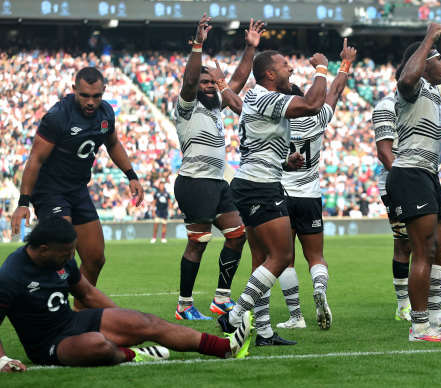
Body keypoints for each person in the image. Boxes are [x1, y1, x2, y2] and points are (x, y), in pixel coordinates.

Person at [0, 216, 251, 373]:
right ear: (43, 250)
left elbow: (86, 293)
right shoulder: (11, 274)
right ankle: (133, 355)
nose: (70, 258)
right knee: (98, 345)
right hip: (49, 345)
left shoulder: (61, 258)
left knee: (145, 321)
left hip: (72, 321)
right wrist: (2, 360)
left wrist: (124, 317)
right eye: (65, 254)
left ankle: (226, 347)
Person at [217, 49, 329, 346]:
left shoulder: (255, 98)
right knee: (282, 257)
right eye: (284, 65)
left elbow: (256, 146)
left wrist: (283, 162)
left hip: (252, 182)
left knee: (262, 259)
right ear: (270, 74)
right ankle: (235, 314)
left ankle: (264, 331)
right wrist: (321, 69)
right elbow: (312, 103)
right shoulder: (266, 97)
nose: (290, 68)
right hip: (260, 187)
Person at [10, 66, 144, 310]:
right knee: (63, 253)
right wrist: (23, 202)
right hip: (50, 191)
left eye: (96, 96)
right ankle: (47, 306)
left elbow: (112, 143)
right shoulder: (58, 116)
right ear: (74, 91)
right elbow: (35, 160)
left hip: (78, 190)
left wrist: (131, 175)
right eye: (84, 95)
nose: (91, 101)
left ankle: (78, 314)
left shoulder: (106, 113)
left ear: (104, 92)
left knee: (94, 259)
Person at [172, 15, 264, 320]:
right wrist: (198, 44)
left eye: (213, 82)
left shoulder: (214, 107)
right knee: (198, 244)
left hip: (216, 182)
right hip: (195, 182)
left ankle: (221, 299)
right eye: (206, 82)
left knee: (238, 236)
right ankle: (184, 305)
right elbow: (188, 80)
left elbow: (236, 80)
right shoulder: (187, 107)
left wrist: (250, 48)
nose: (211, 86)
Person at [387, 22, 441, 342]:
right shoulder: (410, 87)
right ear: (424, 63)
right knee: (422, 250)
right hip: (410, 174)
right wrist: (428, 38)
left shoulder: (433, 90)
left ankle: (435, 318)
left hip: (427, 174)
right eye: (438, 59)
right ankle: (419, 326)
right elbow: (408, 76)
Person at [276, 39, 357, 330]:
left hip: (282, 194)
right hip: (310, 194)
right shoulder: (318, 117)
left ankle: (296, 316)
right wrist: (344, 63)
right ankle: (320, 289)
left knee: (285, 259)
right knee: (316, 256)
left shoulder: (277, 121)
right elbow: (334, 90)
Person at [373, 93, 441, 323]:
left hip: (424, 177)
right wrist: (403, 180)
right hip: (402, 180)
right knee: (406, 243)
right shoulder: (387, 105)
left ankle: (431, 309)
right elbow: (385, 151)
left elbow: (424, 143)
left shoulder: (425, 103)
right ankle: (403, 306)